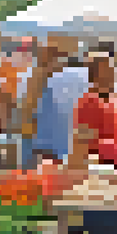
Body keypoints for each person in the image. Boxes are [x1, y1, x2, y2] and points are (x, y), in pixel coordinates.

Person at [22, 35, 90, 166]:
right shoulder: (33, 78)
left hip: (61, 154)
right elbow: (25, 115)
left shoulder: (77, 77)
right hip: (44, 154)